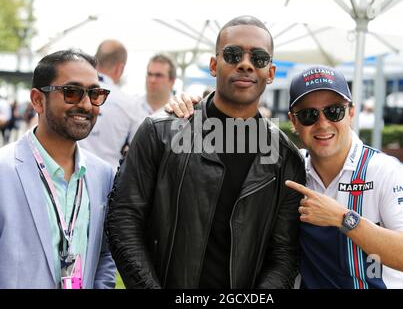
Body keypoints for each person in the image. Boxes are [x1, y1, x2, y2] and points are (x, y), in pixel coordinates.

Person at [106, 15, 306, 289]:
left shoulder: (285, 157)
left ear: (270, 73)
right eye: (233, 54)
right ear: (214, 65)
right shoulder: (159, 133)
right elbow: (124, 221)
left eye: (258, 58)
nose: (245, 64)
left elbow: (284, 253)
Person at [285, 65, 403, 288]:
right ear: (294, 122)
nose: (322, 123)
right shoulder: (291, 173)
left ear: (351, 113)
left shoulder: (386, 171)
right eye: (308, 115)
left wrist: (343, 219)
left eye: (334, 111)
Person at [0, 49, 116, 289]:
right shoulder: (4, 170)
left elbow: (105, 254)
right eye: (71, 93)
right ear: (38, 100)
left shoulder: (103, 176)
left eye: (94, 94)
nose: (86, 105)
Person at [79, 40, 140, 169]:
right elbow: (140, 148)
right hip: (110, 180)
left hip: (70, 175)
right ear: (120, 68)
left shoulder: (73, 94)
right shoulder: (131, 104)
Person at [134, 53, 177, 121]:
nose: (152, 80)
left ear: (172, 81)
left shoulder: (178, 111)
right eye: (149, 74)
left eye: (158, 75)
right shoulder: (132, 105)